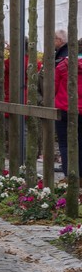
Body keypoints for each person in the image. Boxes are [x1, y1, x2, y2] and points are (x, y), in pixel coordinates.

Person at [54, 37, 82, 182]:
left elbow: (54, 87)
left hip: (65, 109)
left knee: (65, 144)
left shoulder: (62, 65)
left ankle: (69, 176)